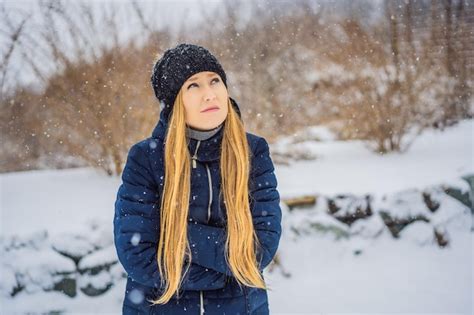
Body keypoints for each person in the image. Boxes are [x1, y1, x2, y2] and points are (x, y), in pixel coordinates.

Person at [113, 43, 282, 315]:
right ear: (174, 101)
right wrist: (228, 269)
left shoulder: (253, 152)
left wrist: (176, 236)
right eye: (193, 86)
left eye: (215, 81)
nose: (209, 95)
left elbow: (260, 248)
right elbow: (138, 257)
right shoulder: (145, 159)